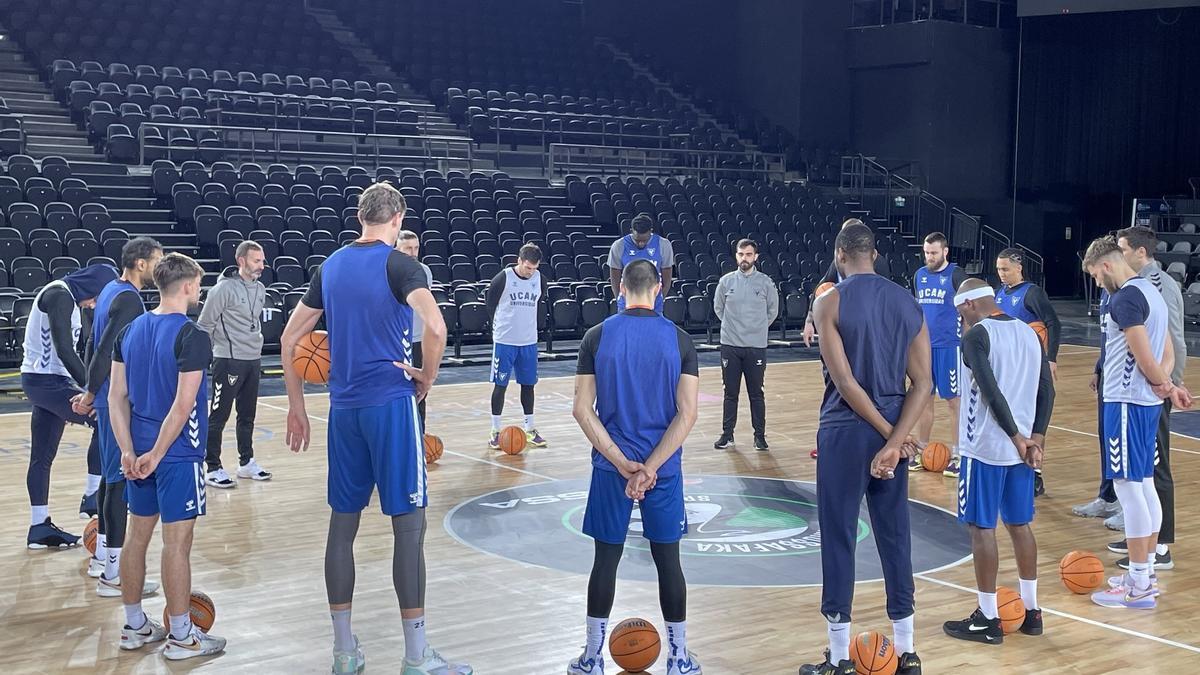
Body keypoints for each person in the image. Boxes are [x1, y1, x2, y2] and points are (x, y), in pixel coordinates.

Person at [280, 182, 470, 674]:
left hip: (343, 411)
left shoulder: (331, 266)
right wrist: (428, 374)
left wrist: (296, 407)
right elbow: (436, 326)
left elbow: (288, 338)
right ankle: (415, 656)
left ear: (360, 216)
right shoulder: (401, 265)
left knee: (341, 528)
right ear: (397, 217)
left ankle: (344, 652)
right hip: (389, 405)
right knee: (409, 529)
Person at [800, 222, 929, 675]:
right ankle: (908, 652)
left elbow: (845, 382)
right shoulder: (907, 301)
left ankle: (838, 658)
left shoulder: (827, 301)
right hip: (894, 428)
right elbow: (924, 383)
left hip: (844, 429)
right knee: (895, 536)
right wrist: (895, 441)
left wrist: (885, 435)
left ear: (840, 254)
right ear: (873, 254)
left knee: (838, 536)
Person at [568, 259, 702, 675]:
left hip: (613, 470)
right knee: (668, 561)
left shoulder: (596, 336)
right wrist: (650, 467)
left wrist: (622, 462)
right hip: (663, 471)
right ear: (659, 287)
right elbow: (688, 414)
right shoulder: (680, 340)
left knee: (605, 559)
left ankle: (592, 658)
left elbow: (581, 410)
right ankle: (678, 658)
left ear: (620, 287)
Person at [108, 252, 225, 659]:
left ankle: (134, 625)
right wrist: (157, 454)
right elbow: (182, 406)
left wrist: (128, 450)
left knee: (136, 538)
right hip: (176, 455)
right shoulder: (192, 335)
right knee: (176, 546)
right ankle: (181, 637)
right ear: (190, 286)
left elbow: (115, 398)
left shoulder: (131, 330)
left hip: (137, 453)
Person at [1080, 236, 1190, 611]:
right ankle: (1145, 575)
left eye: (1096, 276)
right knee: (1143, 485)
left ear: (1106, 265)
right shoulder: (1152, 291)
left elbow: (1143, 352)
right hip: (1144, 404)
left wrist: (1161, 382)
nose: (1097, 284)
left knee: (1129, 489)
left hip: (1126, 402)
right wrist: (1168, 385)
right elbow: (1169, 349)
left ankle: (1140, 581)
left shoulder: (1126, 296)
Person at [942, 278, 1053, 644]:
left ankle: (988, 617)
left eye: (961, 312)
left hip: (986, 447)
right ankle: (1032, 611)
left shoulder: (976, 337)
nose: (961, 319)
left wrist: (1014, 435)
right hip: (1021, 450)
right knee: (1020, 526)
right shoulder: (1029, 333)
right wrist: (1035, 437)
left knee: (981, 528)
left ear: (970, 304)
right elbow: (1046, 389)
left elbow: (989, 391)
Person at [74, 237, 163, 596]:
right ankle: (114, 573)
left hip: (108, 397)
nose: (160, 265)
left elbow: (91, 346)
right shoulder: (127, 299)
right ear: (141, 264)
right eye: (157, 259)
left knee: (111, 481)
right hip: (115, 401)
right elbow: (105, 350)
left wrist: (91, 390)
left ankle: (102, 562)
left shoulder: (112, 287)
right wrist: (92, 393)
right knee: (118, 483)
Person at [22, 263, 118, 549]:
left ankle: (39, 527)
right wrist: (91, 389)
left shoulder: (71, 302)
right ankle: (91, 495)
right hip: (46, 381)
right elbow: (64, 349)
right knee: (105, 417)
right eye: (98, 297)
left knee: (41, 456)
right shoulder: (59, 295)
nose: (94, 305)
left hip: (48, 382)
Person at [197, 240, 271, 488]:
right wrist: (201, 359)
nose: (262, 265)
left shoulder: (261, 289)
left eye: (262, 260)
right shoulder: (222, 289)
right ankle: (213, 467)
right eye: (256, 260)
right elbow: (205, 325)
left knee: (247, 415)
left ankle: (246, 462)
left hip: (253, 359)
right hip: (228, 359)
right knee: (219, 414)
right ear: (241, 261)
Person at [994, 247, 1061, 497]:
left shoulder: (1032, 293)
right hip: (1008, 365)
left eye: (1005, 269)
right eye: (999, 269)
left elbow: (1053, 323)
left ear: (1019, 268)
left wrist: (1051, 358)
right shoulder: (999, 294)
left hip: (1033, 363)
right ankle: (1011, 466)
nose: (1001, 273)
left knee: (1035, 416)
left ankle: (1035, 473)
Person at [910, 231, 968, 477]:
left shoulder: (956, 275)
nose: (929, 257)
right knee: (924, 399)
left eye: (933, 252)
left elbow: (968, 312)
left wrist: (968, 344)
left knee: (954, 402)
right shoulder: (919, 276)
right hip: (924, 348)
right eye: (926, 252)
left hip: (950, 347)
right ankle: (922, 450)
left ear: (945, 252)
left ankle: (958, 454)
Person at [712, 238, 779, 451]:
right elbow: (718, 308)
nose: (744, 258)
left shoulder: (766, 283)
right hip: (730, 344)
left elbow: (772, 312)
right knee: (730, 393)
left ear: (755, 257)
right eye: (741, 254)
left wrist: (756, 328)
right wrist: (734, 327)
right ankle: (727, 435)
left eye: (748, 254)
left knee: (756, 393)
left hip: (755, 346)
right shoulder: (726, 281)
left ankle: (759, 436)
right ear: (736, 256)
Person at [484, 243, 550, 449]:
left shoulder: (540, 280)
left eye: (534, 268)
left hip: (528, 341)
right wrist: (496, 328)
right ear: (519, 261)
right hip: (505, 340)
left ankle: (530, 428)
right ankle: (495, 430)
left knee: (528, 385)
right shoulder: (503, 278)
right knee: (500, 386)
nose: (531, 272)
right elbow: (490, 303)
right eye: (527, 267)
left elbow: (540, 305)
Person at [397, 230, 435, 431]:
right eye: (408, 248)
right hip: (396, 339)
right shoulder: (390, 270)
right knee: (398, 392)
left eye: (416, 248)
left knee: (421, 392)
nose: (413, 253)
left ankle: (419, 437)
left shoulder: (425, 271)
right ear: (397, 248)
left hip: (419, 340)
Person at [608, 212, 674, 313]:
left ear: (651, 231)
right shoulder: (618, 245)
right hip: (627, 302)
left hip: (654, 302)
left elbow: (667, 278)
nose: (641, 243)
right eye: (637, 240)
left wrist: (660, 298)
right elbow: (614, 278)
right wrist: (619, 299)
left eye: (644, 240)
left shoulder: (664, 245)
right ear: (631, 231)